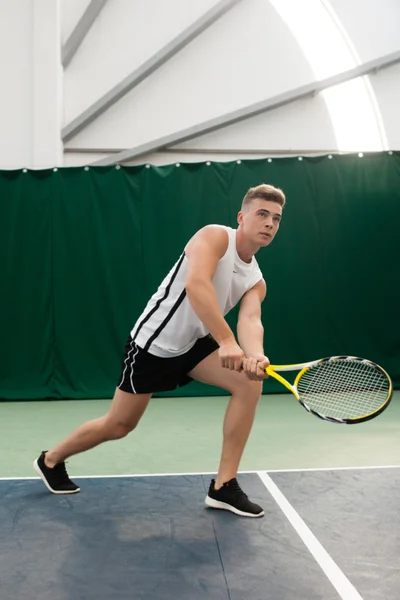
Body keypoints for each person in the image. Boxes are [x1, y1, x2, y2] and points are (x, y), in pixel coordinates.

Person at [33, 183, 285, 518]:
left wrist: (255, 355)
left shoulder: (255, 278)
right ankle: (50, 459)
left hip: (195, 344)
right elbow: (197, 284)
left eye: (277, 219)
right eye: (262, 214)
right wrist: (226, 342)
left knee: (250, 383)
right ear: (242, 216)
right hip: (153, 344)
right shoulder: (213, 237)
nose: (269, 223)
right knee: (119, 425)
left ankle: (224, 486)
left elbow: (251, 320)